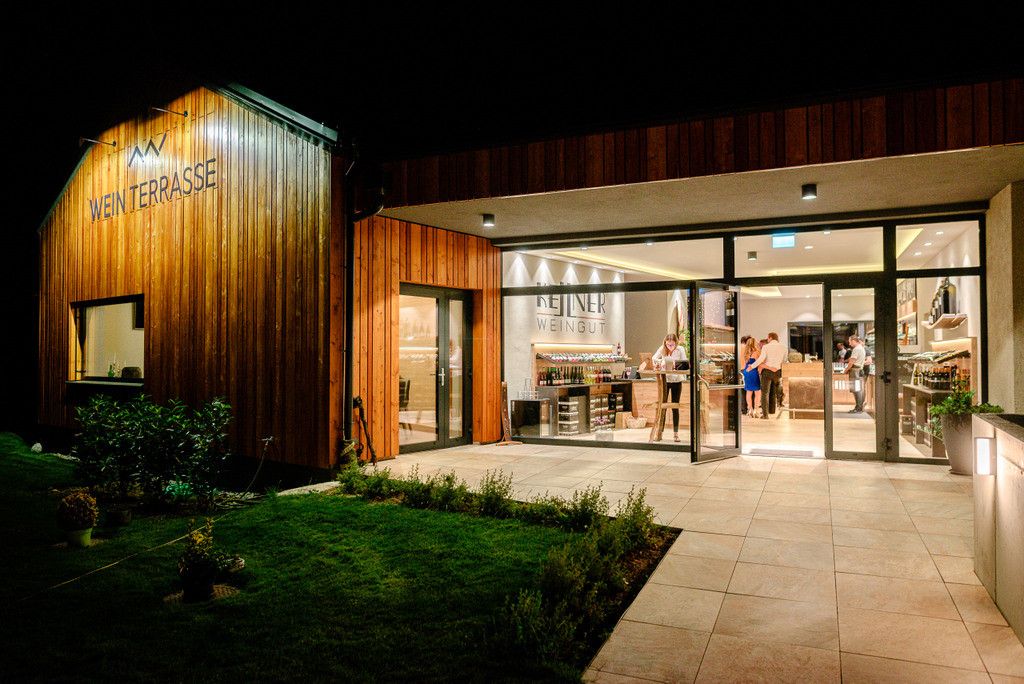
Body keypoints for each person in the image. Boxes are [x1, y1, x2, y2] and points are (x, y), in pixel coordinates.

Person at [652, 333, 688, 442]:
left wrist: (676, 365)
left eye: (672, 345)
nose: (670, 347)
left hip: (677, 380)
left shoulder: (681, 349)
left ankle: (676, 434)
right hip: (665, 380)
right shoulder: (662, 348)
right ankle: (660, 433)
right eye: (668, 345)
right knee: (663, 406)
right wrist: (661, 362)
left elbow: (685, 363)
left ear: (676, 343)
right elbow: (654, 358)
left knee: (675, 407)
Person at [753, 331, 787, 418]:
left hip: (767, 371)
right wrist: (777, 367)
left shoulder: (766, 347)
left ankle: (765, 415)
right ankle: (772, 410)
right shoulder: (784, 347)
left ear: (770, 338)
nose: (767, 339)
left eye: (768, 338)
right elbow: (784, 361)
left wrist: (752, 366)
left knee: (765, 393)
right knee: (773, 391)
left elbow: (761, 359)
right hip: (778, 371)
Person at [740, 337, 762, 418]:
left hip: (746, 372)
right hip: (753, 372)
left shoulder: (746, 353)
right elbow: (760, 363)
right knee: (757, 392)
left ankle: (750, 410)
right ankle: (756, 410)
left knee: (748, 392)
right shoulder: (757, 352)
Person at [845, 335, 867, 413]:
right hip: (859, 370)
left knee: (857, 390)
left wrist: (846, 370)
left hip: (855, 371)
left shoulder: (856, 349)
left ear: (854, 341)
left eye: (850, 342)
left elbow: (852, 362)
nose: (849, 344)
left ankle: (858, 408)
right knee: (859, 390)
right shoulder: (861, 348)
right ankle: (859, 407)